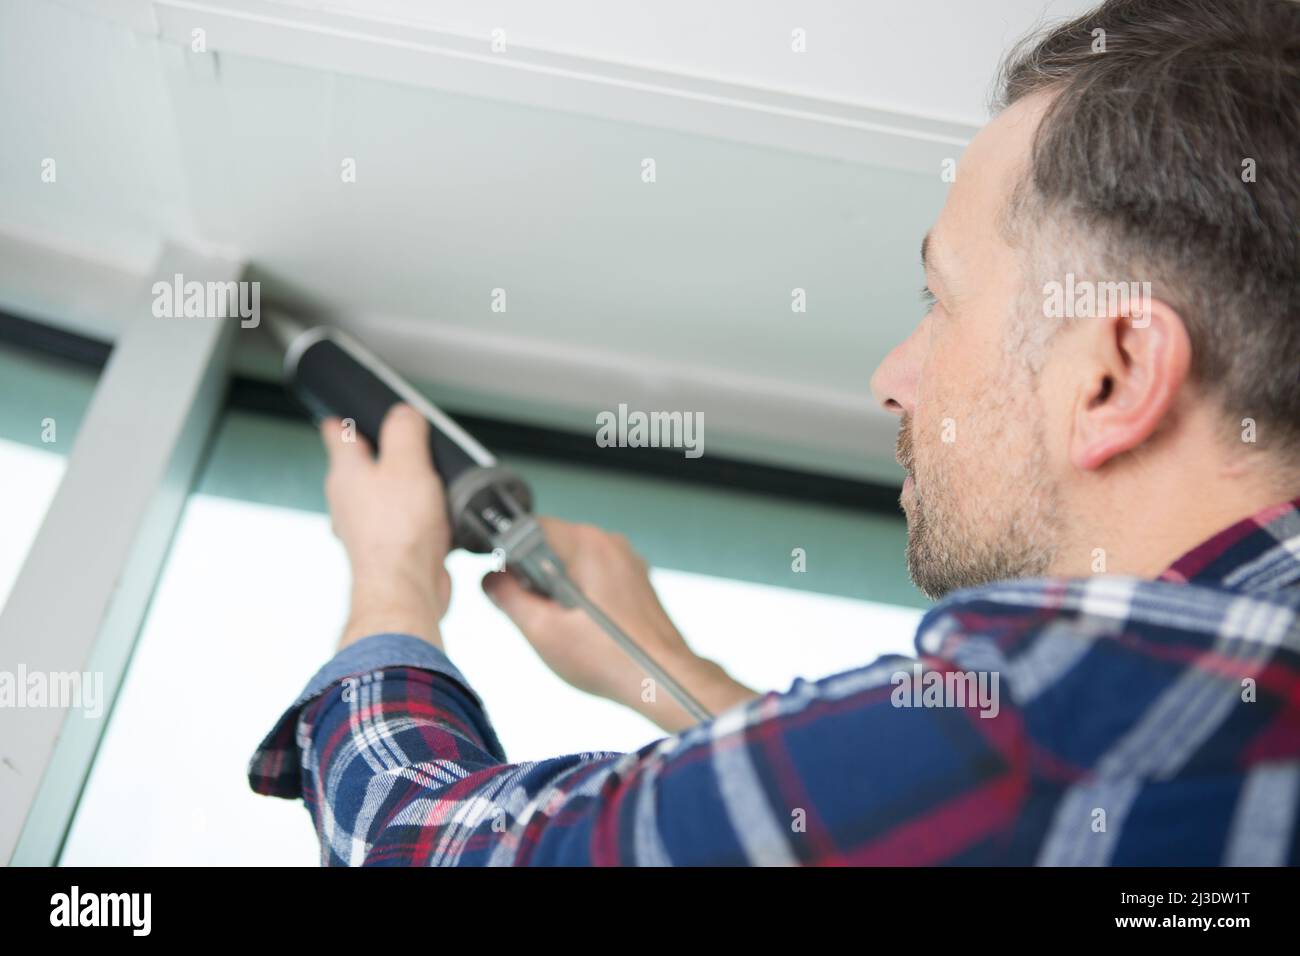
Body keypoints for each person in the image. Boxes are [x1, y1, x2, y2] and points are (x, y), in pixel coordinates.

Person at [249, 0, 1300, 865]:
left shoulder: (1047, 724)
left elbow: (427, 849)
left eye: (942, 302)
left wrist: (391, 580)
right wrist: (665, 668)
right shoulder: (1160, 727)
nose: (893, 377)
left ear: (1113, 374)